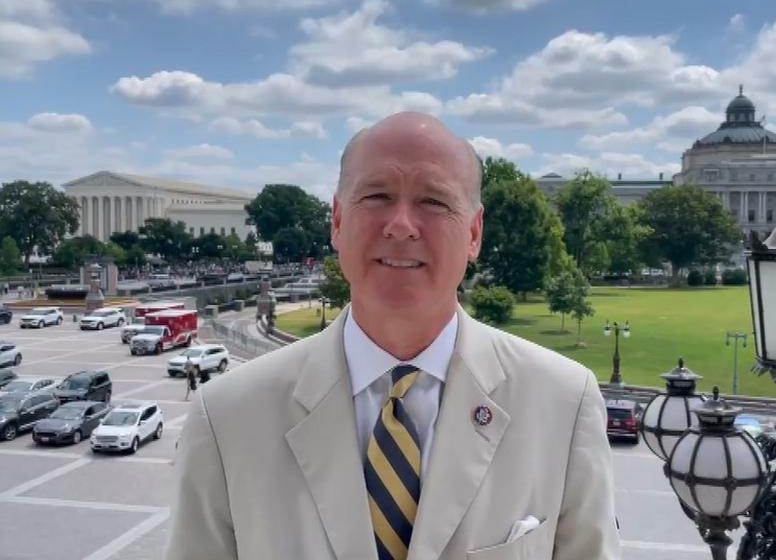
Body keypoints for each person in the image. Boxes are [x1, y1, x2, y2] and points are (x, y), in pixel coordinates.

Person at [165, 112, 619, 559]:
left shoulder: (564, 402)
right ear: (338, 222)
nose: (401, 223)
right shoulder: (226, 417)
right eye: (377, 195)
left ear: (474, 234)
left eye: (434, 202)